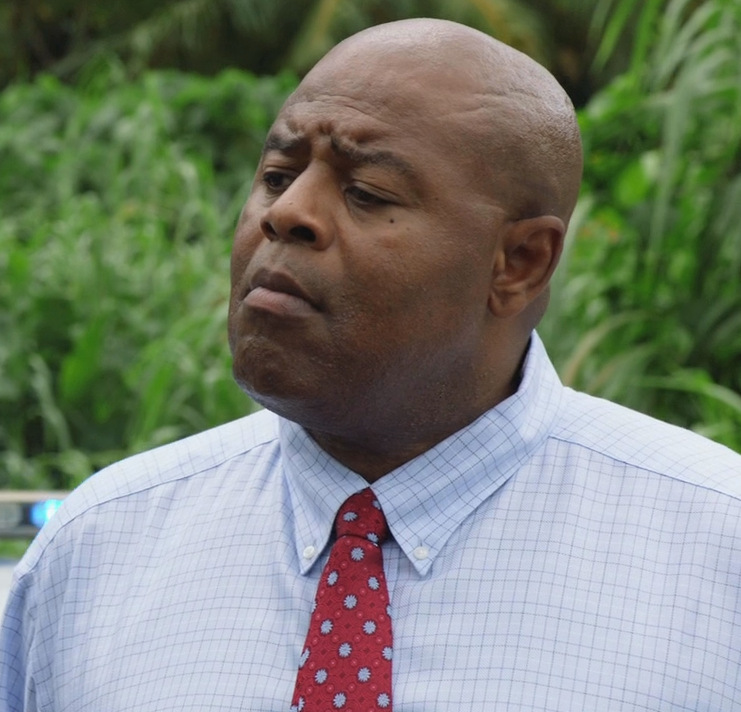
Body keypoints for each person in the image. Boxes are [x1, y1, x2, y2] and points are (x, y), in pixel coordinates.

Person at [2, 17, 741, 711]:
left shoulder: (716, 553)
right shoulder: (98, 549)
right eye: (277, 174)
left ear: (518, 262)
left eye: (366, 193)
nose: (286, 213)